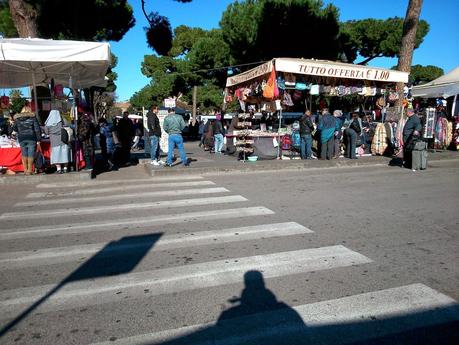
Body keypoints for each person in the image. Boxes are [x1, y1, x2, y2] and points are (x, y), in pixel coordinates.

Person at [12, 105, 41, 175]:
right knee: (31, 154)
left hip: (21, 138)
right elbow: (37, 129)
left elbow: (15, 129)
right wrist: (38, 140)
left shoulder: (17, 119)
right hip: (31, 137)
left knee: (24, 153)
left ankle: (25, 170)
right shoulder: (33, 118)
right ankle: (29, 170)